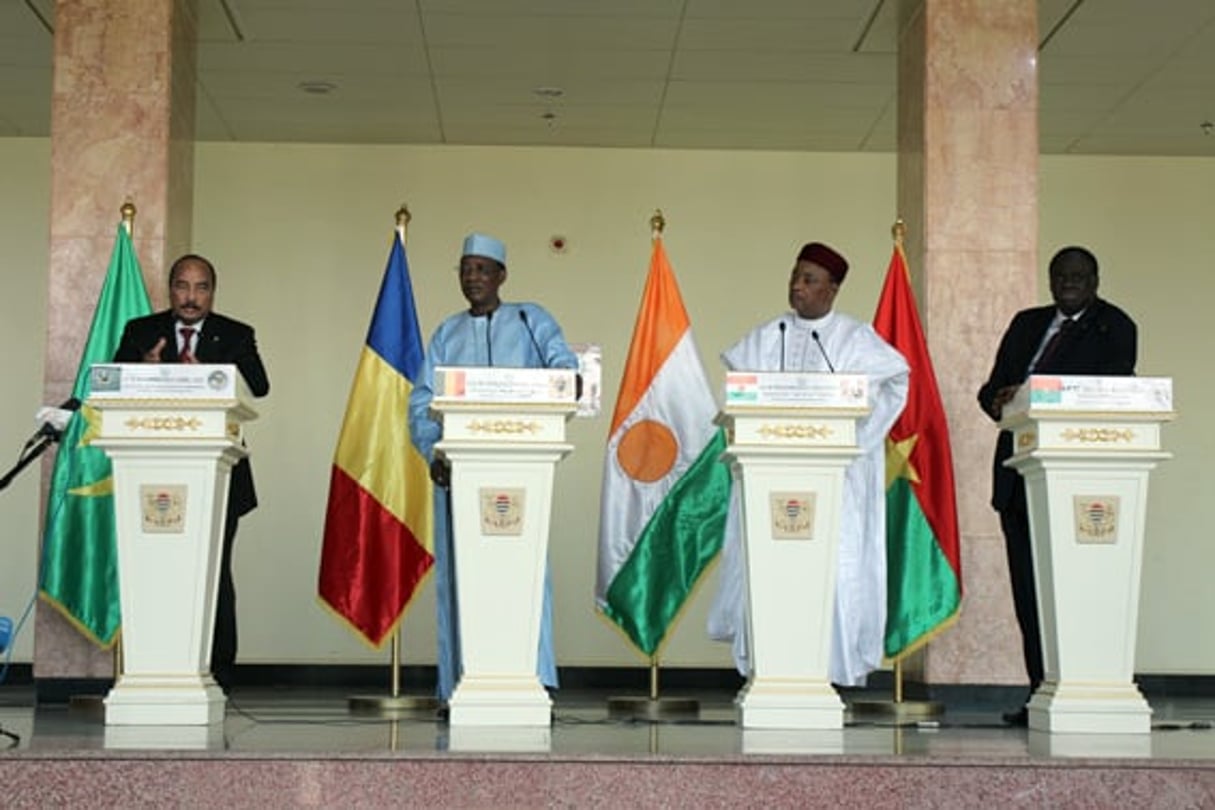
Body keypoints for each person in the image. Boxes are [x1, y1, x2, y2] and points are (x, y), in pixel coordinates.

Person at [707, 241, 909, 686]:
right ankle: (769, 669)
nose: (797, 287)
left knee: (833, 571)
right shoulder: (765, 337)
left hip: (836, 481)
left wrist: (861, 439)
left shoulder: (856, 340)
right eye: (795, 276)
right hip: (768, 481)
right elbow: (739, 393)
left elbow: (896, 383)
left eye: (809, 279)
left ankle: (825, 670)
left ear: (833, 289)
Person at [408, 232, 578, 705]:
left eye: (482, 269)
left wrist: (566, 380)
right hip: (458, 476)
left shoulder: (530, 319)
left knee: (527, 578)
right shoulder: (446, 333)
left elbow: (564, 370)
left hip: (522, 471)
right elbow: (421, 402)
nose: (473, 277)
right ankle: (457, 684)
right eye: (465, 269)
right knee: (460, 580)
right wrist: (433, 453)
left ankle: (534, 677)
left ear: (502, 275)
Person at [977, 245, 1137, 726]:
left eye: (1080, 275)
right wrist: (1004, 397)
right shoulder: (1027, 323)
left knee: (1080, 591)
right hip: (1020, 475)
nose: (1070, 282)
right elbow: (989, 393)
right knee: (1031, 593)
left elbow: (1111, 393)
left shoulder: (1115, 327)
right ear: (1049, 280)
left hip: (1082, 484)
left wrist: (1044, 395)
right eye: (1061, 275)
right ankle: (1040, 693)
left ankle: (1085, 690)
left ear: (1096, 279)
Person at [113, 253, 270, 691]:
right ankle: (154, 667)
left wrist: (212, 376)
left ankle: (219, 670)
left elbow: (260, 385)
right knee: (155, 571)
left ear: (212, 293)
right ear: (170, 289)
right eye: (183, 286)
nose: (191, 297)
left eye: (201, 288)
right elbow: (109, 381)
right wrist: (142, 370)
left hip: (220, 479)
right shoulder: (140, 332)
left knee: (214, 572)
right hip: (148, 476)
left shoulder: (236, 334)